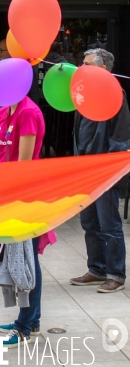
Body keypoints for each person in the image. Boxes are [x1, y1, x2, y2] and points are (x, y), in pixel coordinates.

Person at [70, 48, 128, 293]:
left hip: (103, 170)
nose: (82, 68)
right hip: (84, 168)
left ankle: (116, 274)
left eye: (87, 64)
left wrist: (109, 168)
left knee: (109, 224)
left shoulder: (115, 93)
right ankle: (96, 268)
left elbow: (121, 135)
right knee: (89, 222)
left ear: (103, 69)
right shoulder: (83, 93)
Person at [0, 94, 45, 348]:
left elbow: (23, 164)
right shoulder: (3, 112)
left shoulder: (28, 113)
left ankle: (24, 326)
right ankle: (31, 319)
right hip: (4, 192)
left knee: (26, 258)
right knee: (20, 256)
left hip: (24, 195)